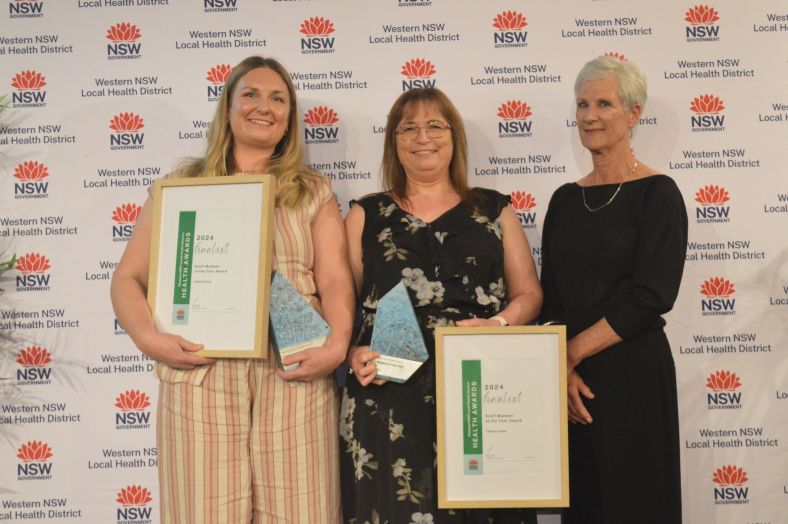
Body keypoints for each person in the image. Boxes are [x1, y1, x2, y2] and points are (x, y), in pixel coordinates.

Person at [110, 55, 354, 523]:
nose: (264, 107)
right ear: (228, 108)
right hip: (200, 376)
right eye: (251, 94)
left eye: (278, 99)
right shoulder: (180, 186)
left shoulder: (312, 190)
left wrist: (338, 344)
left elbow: (336, 279)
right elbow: (127, 278)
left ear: (289, 120)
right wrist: (149, 338)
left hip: (296, 376)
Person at [339, 87, 543, 524]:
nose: (422, 137)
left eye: (435, 125)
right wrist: (351, 353)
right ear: (393, 141)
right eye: (407, 128)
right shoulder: (365, 215)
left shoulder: (494, 210)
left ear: (454, 137)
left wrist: (501, 323)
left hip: (482, 387)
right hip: (387, 395)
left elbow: (530, 295)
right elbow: (340, 307)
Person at [540, 55, 687, 523]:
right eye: (582, 104)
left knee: (638, 506)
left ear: (633, 113)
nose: (589, 115)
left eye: (604, 103)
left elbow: (651, 296)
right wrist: (561, 370)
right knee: (585, 506)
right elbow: (552, 298)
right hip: (574, 388)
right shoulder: (565, 199)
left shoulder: (659, 193)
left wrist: (568, 354)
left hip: (635, 381)